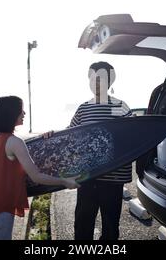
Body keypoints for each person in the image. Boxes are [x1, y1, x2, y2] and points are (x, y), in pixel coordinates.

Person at [0, 96, 80, 240]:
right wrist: (65, 181)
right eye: (20, 110)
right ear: (10, 114)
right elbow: (36, 176)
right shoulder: (15, 142)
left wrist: (41, 141)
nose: (24, 113)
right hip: (0, 207)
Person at [70, 61, 132, 240]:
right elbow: (70, 136)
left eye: (101, 80)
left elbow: (132, 137)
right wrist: (52, 135)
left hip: (113, 178)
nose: (95, 84)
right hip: (87, 177)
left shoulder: (120, 107)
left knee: (111, 225)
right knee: (82, 222)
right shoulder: (84, 108)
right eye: (92, 79)